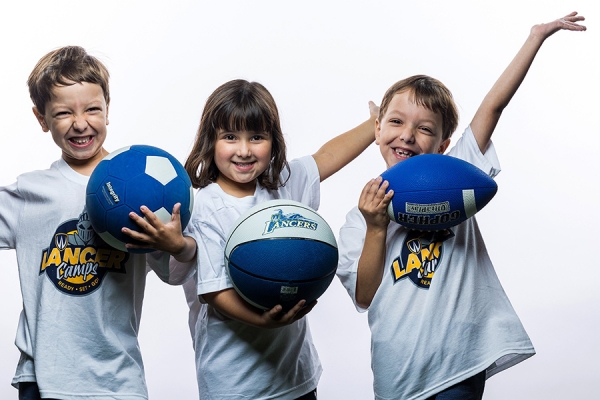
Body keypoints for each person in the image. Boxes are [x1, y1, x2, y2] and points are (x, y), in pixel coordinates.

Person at [336, 12, 586, 400]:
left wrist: (535, 38)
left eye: (424, 128)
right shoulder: (358, 220)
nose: (407, 135)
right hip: (398, 371)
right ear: (378, 131)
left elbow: (493, 108)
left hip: (458, 361)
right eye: (397, 122)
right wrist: (376, 226)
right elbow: (365, 295)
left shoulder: (455, 178)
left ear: (443, 145)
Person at [0, 45, 197, 400]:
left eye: (92, 109)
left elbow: (174, 272)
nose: (80, 123)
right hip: (43, 376)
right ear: (41, 119)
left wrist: (176, 245)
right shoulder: (31, 193)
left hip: (117, 378)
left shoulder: (146, 186)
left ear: (108, 108)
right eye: (63, 113)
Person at [183, 79, 377, 399]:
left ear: (273, 141)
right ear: (210, 141)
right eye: (230, 137)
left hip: (294, 377)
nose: (244, 150)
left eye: (256, 137)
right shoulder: (204, 205)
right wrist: (263, 321)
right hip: (233, 384)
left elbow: (328, 155)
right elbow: (214, 292)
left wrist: (375, 124)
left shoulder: (282, 185)